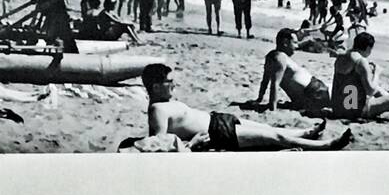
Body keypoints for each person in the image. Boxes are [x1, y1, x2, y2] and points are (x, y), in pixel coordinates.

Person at [142, 64, 351, 151]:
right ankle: (324, 146)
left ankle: (307, 132)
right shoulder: (157, 110)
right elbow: (161, 147)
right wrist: (193, 143)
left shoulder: (163, 103)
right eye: (170, 82)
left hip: (218, 119)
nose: (174, 84)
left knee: (269, 129)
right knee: (274, 139)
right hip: (218, 132)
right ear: (156, 86)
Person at [257, 28, 332, 113]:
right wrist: (272, 109)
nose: (296, 46)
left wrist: (259, 99)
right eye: (294, 42)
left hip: (313, 92)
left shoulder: (272, 56)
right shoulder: (280, 58)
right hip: (315, 93)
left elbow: (265, 81)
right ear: (285, 42)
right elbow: (274, 84)